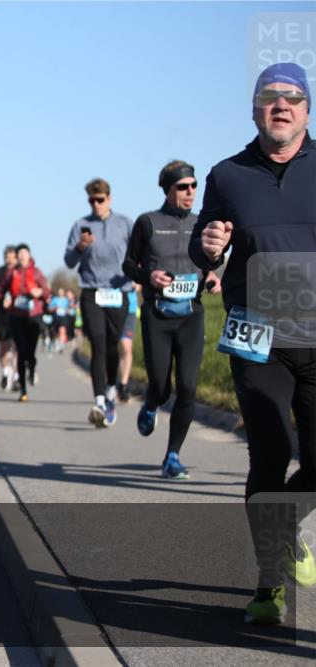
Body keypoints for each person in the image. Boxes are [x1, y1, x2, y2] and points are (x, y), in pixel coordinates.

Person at [190, 63, 316, 626]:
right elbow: (204, 248)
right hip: (256, 330)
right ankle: (270, 584)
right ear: (255, 110)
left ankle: (284, 523)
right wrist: (211, 246)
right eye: (270, 97)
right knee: (269, 451)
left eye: (293, 98)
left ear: (307, 110)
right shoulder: (227, 174)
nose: (281, 105)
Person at [124, 159, 221, 480]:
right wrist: (147, 275)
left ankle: (172, 456)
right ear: (167, 189)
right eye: (183, 187)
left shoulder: (202, 223)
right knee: (162, 386)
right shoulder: (147, 223)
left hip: (191, 315)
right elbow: (128, 266)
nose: (190, 192)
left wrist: (213, 276)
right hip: (157, 315)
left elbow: (215, 261)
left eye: (194, 186)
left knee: (189, 388)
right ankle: (151, 404)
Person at [64, 178, 134, 427]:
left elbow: (138, 255)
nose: (96, 204)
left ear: (109, 199)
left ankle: (112, 389)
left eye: (100, 200)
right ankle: (99, 401)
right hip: (92, 291)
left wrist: (137, 278)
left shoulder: (125, 223)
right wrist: (80, 247)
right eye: (91, 201)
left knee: (113, 346)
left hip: (118, 291)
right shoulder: (81, 225)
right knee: (98, 343)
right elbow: (69, 261)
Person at [0, 244, 51, 402]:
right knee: (21, 352)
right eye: (19, 254)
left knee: (30, 353)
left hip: (33, 315)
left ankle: (32, 367)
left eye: (24, 253)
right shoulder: (11, 273)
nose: (21, 256)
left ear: (29, 256)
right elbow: (2, 291)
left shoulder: (36, 272)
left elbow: (47, 291)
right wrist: (5, 298)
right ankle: (23, 389)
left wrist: (40, 292)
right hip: (16, 316)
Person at [0, 246, 19, 390]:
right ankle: (6, 373)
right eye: (7, 256)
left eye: (12, 256)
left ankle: (17, 376)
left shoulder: (21, 271)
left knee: (18, 346)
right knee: (4, 346)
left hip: (18, 313)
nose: (10, 259)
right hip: (2, 315)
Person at [116, 287, 139, 402]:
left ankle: (123, 384)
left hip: (130, 309)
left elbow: (140, 284)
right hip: (114, 307)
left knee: (126, 347)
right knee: (120, 349)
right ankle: (119, 381)